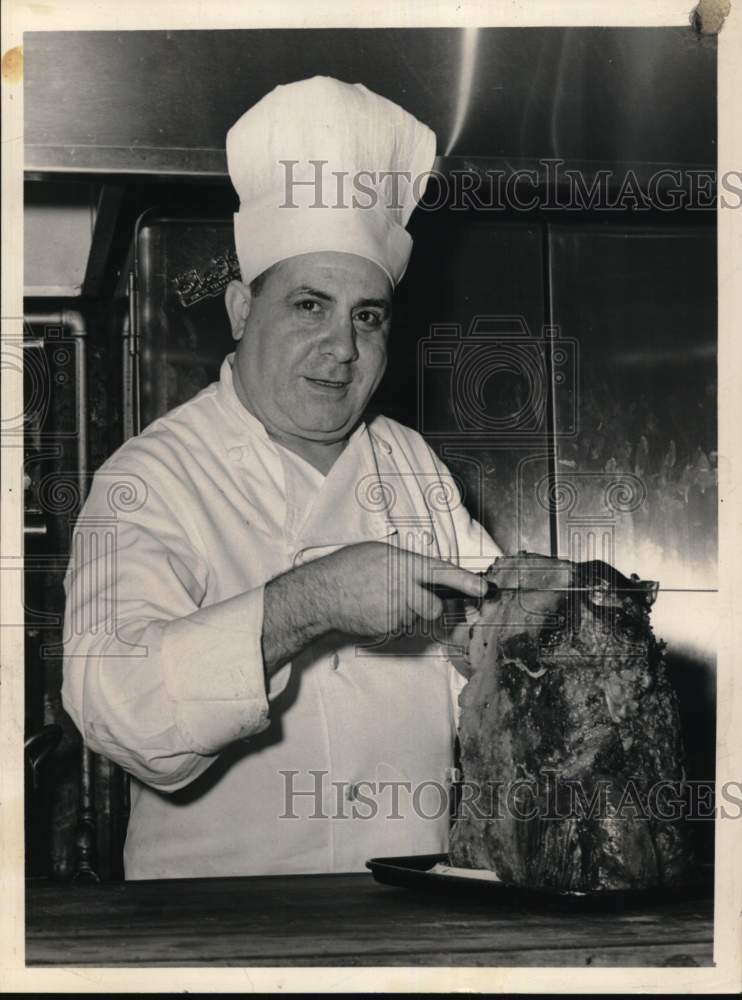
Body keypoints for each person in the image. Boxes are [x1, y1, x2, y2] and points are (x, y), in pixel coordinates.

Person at [62, 76, 502, 879]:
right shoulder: (154, 476)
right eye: (309, 306)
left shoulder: (414, 467)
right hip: (212, 926)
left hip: (413, 920)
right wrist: (312, 600)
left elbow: (488, 661)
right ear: (239, 309)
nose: (342, 347)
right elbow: (113, 706)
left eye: (367, 315)